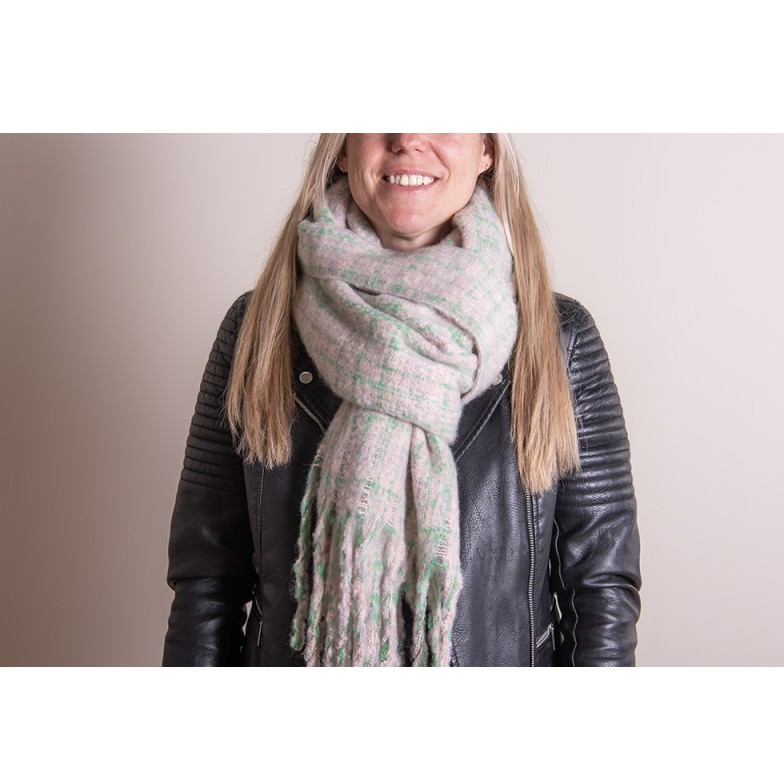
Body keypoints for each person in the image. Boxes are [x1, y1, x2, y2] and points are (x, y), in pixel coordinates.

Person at [162, 133, 641, 667]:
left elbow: (599, 587)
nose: (409, 138)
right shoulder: (259, 329)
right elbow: (207, 581)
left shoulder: (558, 339)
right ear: (343, 149)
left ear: (486, 150)